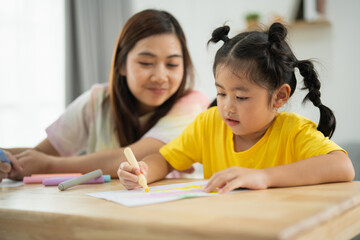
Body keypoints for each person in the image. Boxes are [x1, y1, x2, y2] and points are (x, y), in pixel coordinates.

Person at [118, 22, 355, 193]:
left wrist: (264, 176)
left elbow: (342, 166)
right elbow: (166, 159)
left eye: (241, 97)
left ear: (279, 97)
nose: (227, 107)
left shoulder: (293, 131)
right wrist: (144, 171)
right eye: (221, 93)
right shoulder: (209, 123)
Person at [0, 9, 210, 182]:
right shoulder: (98, 100)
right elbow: (39, 155)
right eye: (146, 63)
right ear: (121, 65)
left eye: (172, 64)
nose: (160, 76)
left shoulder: (194, 105)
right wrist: (7, 160)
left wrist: (49, 166)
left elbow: (133, 157)